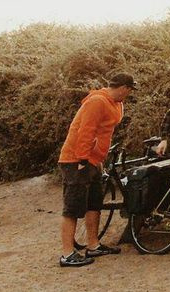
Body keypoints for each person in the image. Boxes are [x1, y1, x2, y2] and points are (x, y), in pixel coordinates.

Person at [57, 72, 136, 268]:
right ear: (124, 87)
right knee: (72, 207)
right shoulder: (97, 101)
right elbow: (86, 130)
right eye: (130, 89)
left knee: (94, 204)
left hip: (93, 160)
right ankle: (67, 254)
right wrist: (83, 158)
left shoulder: (116, 104)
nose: (129, 93)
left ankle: (93, 244)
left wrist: (97, 159)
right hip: (76, 159)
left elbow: (103, 132)